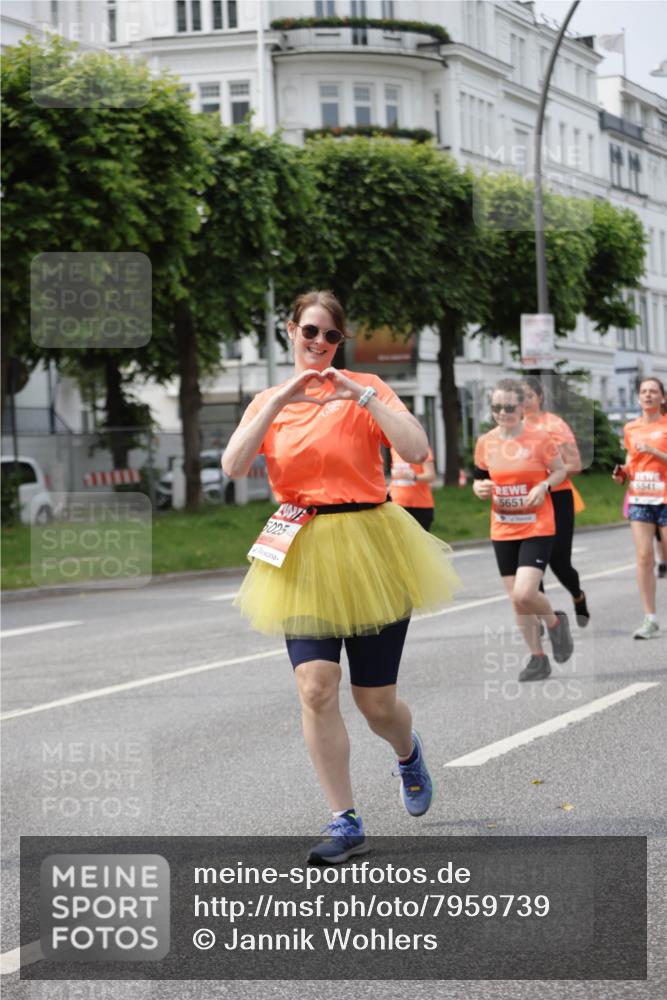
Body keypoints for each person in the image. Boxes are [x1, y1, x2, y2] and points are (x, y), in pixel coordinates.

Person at [222, 290, 461, 864]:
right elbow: (233, 466)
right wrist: (280, 399)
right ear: (290, 331)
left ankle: (406, 752)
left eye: (331, 336)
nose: (320, 344)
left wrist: (364, 397)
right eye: (310, 332)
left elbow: (417, 449)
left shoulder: (368, 390)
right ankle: (345, 819)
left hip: (371, 543)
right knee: (315, 686)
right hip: (301, 545)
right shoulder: (269, 400)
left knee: (376, 702)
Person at [473, 378, 573, 682]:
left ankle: (556, 624)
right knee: (517, 600)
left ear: (522, 407)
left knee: (525, 592)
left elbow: (560, 470)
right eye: (496, 407)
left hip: (537, 524)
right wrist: (480, 487)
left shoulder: (539, 438)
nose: (503, 413)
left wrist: (544, 485)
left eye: (509, 407)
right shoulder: (486, 442)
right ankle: (537, 658)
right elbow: (479, 477)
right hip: (503, 527)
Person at [520, 376, 590, 627]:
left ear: (540, 398)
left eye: (529, 395)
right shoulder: (513, 427)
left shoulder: (554, 425)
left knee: (559, 561)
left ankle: (577, 595)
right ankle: (542, 619)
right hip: (526, 500)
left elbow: (575, 465)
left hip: (557, 496)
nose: (524, 400)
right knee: (529, 562)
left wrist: (546, 479)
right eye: (520, 396)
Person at [612, 376, 667, 639]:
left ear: (662, 397)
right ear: (638, 398)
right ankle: (650, 617)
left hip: (666, 497)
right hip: (640, 496)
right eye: (644, 392)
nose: (648, 395)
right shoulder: (630, 428)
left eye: (653, 391)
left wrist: (654, 452)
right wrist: (622, 472)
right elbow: (631, 459)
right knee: (644, 557)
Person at [390, 444, 436, 531]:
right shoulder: (394, 448)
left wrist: (413, 477)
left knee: (420, 543)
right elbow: (396, 476)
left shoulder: (422, 448)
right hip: (397, 503)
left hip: (420, 506)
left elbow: (431, 475)